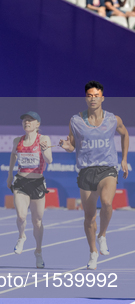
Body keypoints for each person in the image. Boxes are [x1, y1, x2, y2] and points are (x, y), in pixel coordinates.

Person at [59, 81, 129, 269]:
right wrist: (67, 147)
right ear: (86, 98)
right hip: (86, 171)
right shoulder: (76, 120)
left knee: (106, 202)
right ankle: (93, 252)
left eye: (96, 95)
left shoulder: (113, 119)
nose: (93, 98)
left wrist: (123, 159)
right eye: (89, 95)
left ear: (102, 98)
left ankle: (103, 235)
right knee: (89, 217)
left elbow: (125, 134)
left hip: (107, 168)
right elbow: (72, 144)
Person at [6, 112, 53, 269]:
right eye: (25, 120)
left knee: (37, 220)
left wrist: (45, 150)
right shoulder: (17, 141)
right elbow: (13, 156)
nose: (27, 123)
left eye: (30, 121)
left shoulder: (44, 139)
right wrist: (9, 174)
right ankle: (21, 236)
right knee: (21, 215)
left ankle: (38, 252)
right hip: (20, 181)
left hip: (37, 182)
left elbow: (49, 160)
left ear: (37, 124)